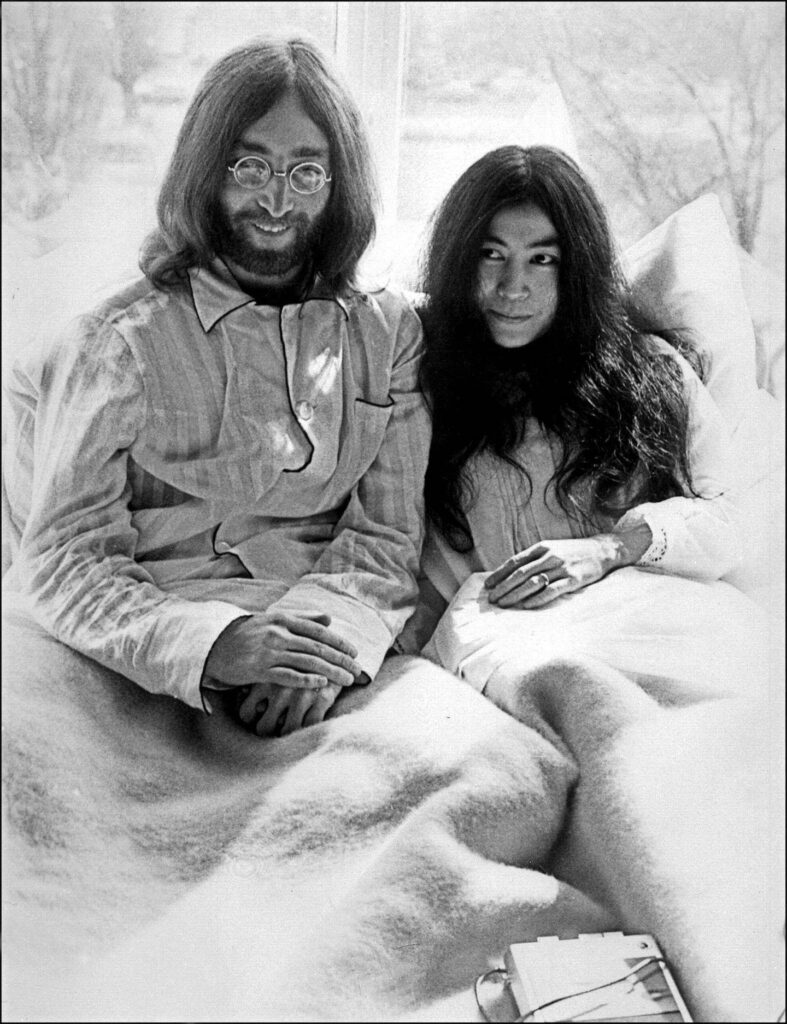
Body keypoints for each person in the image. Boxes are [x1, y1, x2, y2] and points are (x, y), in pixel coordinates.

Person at [2, 36, 430, 737]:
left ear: (338, 183)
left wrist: (319, 654)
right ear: (205, 170)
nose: (276, 199)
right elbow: (64, 558)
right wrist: (215, 644)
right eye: (249, 166)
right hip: (135, 640)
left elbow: (386, 535)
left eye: (306, 172)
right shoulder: (115, 342)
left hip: (327, 645)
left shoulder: (388, 334)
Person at [398, 144, 748, 685]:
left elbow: (733, 522)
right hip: (512, 642)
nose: (513, 287)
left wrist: (608, 549)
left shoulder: (652, 372)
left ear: (577, 268)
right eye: (491, 254)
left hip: (651, 613)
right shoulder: (418, 378)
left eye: (542, 259)